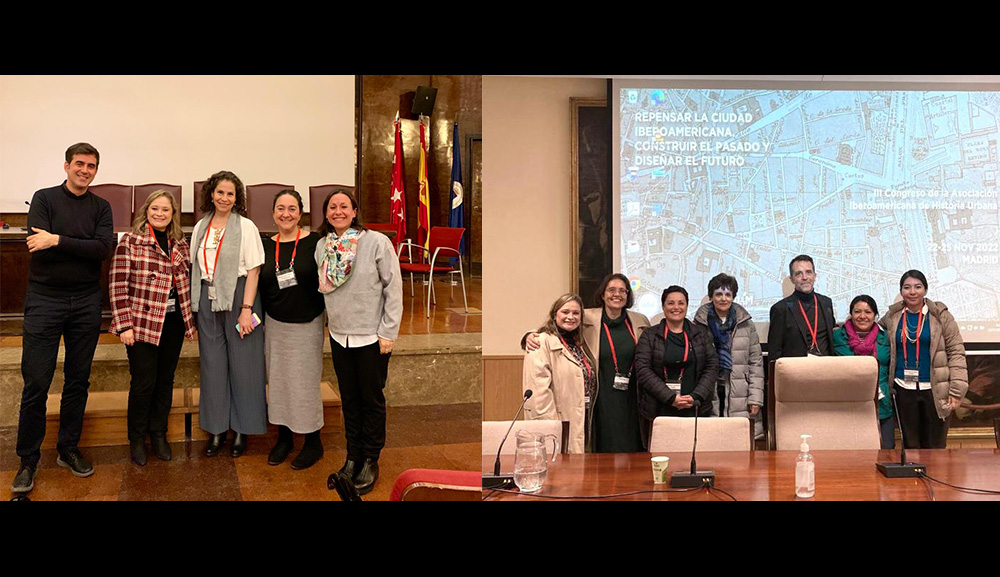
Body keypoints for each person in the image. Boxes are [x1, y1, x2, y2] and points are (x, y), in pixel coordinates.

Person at [13, 143, 113, 493]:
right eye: (80, 164)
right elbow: (34, 245)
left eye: (92, 166)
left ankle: (68, 448)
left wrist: (57, 240)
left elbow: (102, 250)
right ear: (67, 165)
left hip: (86, 302)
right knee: (36, 382)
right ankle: (27, 460)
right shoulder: (44, 198)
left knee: (77, 380)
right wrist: (73, 244)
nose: (85, 170)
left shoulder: (101, 206)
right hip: (45, 301)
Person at [316, 188, 402, 495]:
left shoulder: (376, 242)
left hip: (371, 337)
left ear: (354, 211)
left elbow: (393, 288)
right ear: (326, 214)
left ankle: (370, 459)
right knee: (350, 400)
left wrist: (388, 332)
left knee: (371, 400)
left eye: (344, 206)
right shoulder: (323, 246)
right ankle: (352, 456)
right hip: (340, 336)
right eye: (332, 207)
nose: (338, 211)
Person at [109, 190, 197, 465]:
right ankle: (136, 438)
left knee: (165, 380)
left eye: (165, 210)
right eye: (155, 209)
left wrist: (189, 322)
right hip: (142, 323)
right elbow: (117, 285)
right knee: (143, 383)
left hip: (172, 322)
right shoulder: (131, 242)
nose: (159, 214)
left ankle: (158, 433)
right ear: (146, 211)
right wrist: (124, 325)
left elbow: (186, 283)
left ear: (173, 215)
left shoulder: (180, 243)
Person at [523, 274, 650, 452]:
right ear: (603, 294)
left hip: (631, 399)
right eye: (611, 290)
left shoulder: (640, 321)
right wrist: (529, 335)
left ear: (628, 295)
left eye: (622, 290)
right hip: (598, 399)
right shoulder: (588, 317)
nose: (617, 294)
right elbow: (556, 327)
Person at [191, 171, 267, 458]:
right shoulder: (200, 227)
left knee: (244, 365)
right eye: (220, 192)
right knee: (212, 365)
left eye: (230, 194)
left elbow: (253, 270)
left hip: (239, 299)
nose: (224, 198)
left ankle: (242, 430)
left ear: (237, 198)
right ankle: (217, 429)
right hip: (207, 298)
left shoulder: (246, 226)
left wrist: (246, 310)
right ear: (211, 194)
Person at [259, 189, 326, 470]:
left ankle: (313, 442)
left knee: (306, 383)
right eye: (280, 208)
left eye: (292, 209)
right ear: (273, 213)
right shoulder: (263, 245)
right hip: (275, 324)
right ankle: (284, 438)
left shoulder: (317, 242)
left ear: (301, 213)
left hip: (308, 323)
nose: (286, 214)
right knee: (279, 382)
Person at [879, 270, 967, 449]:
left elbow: (956, 351)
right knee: (910, 446)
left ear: (925, 290)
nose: (912, 292)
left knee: (935, 445)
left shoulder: (941, 316)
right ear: (901, 291)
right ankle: (913, 477)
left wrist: (957, 390)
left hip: (936, 389)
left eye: (917, 287)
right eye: (907, 287)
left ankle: (934, 477)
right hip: (903, 388)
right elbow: (873, 332)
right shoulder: (892, 316)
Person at [634, 286, 718, 448]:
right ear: (663, 306)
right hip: (660, 409)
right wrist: (671, 398)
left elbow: (712, 365)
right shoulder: (650, 335)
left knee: (695, 455)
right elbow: (643, 370)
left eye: (681, 303)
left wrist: (696, 396)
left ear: (687, 306)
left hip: (694, 408)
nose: (676, 307)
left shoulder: (700, 334)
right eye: (670, 303)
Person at [693, 273, 764, 438]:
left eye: (727, 294)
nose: (723, 298)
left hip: (741, 391)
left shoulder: (746, 324)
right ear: (711, 296)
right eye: (718, 294)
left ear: (733, 296)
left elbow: (756, 362)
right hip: (710, 391)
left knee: (739, 443)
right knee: (711, 440)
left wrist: (756, 398)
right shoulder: (699, 323)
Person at [522, 293, 595, 454]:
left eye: (576, 313)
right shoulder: (540, 343)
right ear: (555, 315)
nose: (571, 317)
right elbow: (538, 397)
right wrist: (552, 430)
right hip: (556, 426)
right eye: (565, 312)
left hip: (582, 420)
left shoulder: (579, 344)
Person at [832, 295, 894, 448]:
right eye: (857, 311)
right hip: (847, 406)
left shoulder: (886, 337)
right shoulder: (836, 337)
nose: (862, 316)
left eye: (868, 312)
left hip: (881, 406)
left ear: (875, 315)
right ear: (851, 314)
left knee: (885, 453)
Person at [767, 254, 836, 364]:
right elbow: (775, 351)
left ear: (814, 275)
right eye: (799, 274)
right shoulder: (780, 309)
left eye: (808, 272)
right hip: (796, 373)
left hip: (826, 370)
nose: (805, 277)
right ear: (792, 279)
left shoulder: (826, 303)